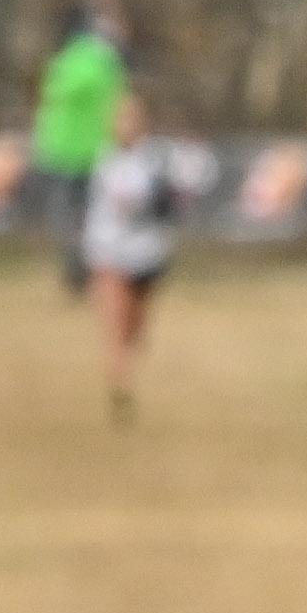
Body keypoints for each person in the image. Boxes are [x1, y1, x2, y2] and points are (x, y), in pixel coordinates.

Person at [79, 93, 179, 424]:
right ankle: (120, 385)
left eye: (132, 118)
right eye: (121, 118)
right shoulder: (105, 160)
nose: (126, 125)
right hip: (109, 252)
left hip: (146, 253)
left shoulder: (155, 159)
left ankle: (124, 369)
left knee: (137, 327)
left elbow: (168, 203)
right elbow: (123, 201)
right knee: (116, 324)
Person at [31, 0, 127, 296]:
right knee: (93, 218)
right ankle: (92, 270)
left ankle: (79, 273)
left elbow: (53, 99)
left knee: (68, 218)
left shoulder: (67, 61)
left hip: (64, 151)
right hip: (98, 150)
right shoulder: (108, 61)